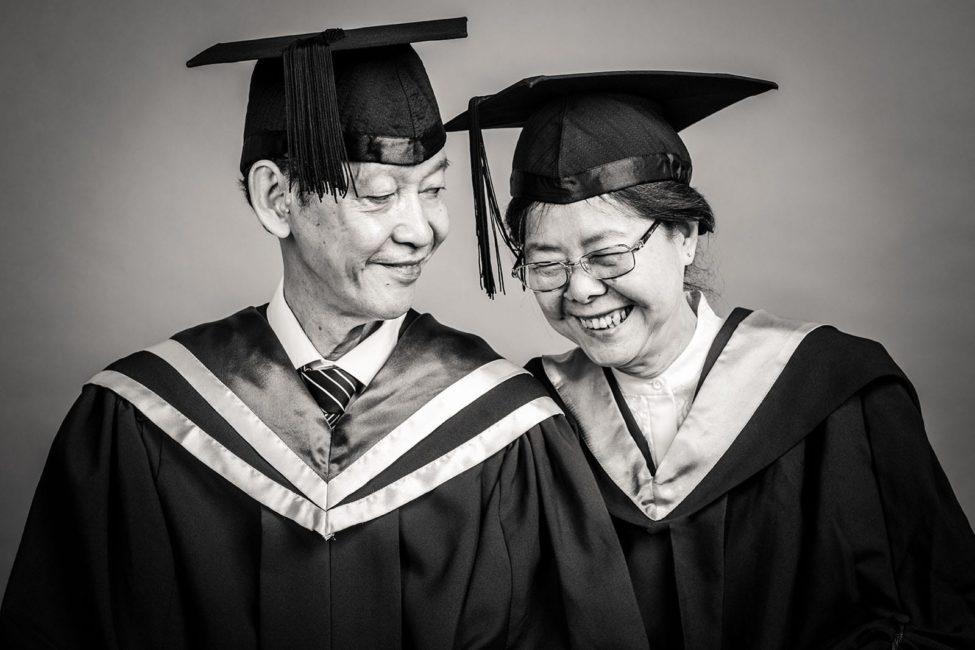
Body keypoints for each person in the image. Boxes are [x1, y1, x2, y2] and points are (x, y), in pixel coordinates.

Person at [0, 22, 650, 649]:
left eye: (433, 189)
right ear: (277, 198)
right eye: (377, 194)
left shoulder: (506, 426)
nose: (421, 229)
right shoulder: (142, 418)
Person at [446, 71, 975, 648]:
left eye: (608, 255)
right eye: (546, 264)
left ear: (687, 235)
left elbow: (935, 620)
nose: (580, 291)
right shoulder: (530, 425)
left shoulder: (838, 392)